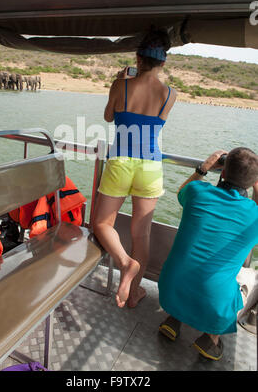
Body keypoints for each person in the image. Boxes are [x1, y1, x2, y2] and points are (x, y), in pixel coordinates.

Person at [93, 30, 176, 308]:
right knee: (143, 234)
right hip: (150, 165)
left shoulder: (122, 86)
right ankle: (134, 292)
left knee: (103, 224)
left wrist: (118, 83)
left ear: (138, 58)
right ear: (162, 63)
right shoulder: (169, 95)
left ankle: (124, 263)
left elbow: (108, 116)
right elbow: (157, 123)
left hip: (121, 161)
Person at [158, 147, 258, 360]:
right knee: (250, 275)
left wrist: (202, 169)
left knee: (191, 263)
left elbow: (181, 192)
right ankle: (211, 338)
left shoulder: (196, 192)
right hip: (214, 305)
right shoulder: (254, 215)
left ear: (222, 172)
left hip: (169, 288)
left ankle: (173, 320)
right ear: (251, 184)